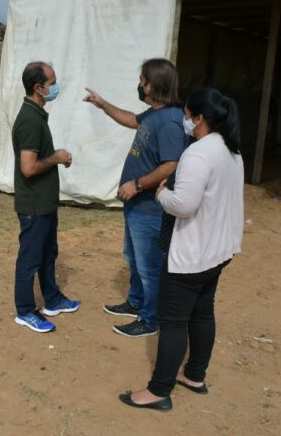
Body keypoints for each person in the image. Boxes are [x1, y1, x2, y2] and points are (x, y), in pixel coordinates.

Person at [119, 88, 245, 411]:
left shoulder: (198, 153)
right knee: (202, 312)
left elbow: (183, 205)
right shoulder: (231, 150)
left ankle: (159, 390)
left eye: (187, 115)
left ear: (200, 118)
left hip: (193, 253)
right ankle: (194, 375)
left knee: (173, 320)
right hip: (219, 250)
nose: (184, 121)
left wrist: (161, 194)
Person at [84, 58, 186, 338]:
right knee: (133, 256)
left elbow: (171, 165)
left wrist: (138, 185)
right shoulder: (154, 114)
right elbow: (131, 119)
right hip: (136, 205)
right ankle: (136, 301)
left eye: (143, 80)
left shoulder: (170, 121)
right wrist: (102, 104)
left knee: (149, 264)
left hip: (149, 206)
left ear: (155, 85)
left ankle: (150, 319)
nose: (140, 85)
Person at [12, 61, 80, 333]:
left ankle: (52, 300)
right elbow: (28, 168)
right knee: (30, 259)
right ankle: (25, 311)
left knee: (48, 253)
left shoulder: (37, 114)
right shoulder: (29, 120)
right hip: (34, 205)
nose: (56, 86)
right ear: (38, 88)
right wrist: (57, 158)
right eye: (52, 82)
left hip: (45, 202)